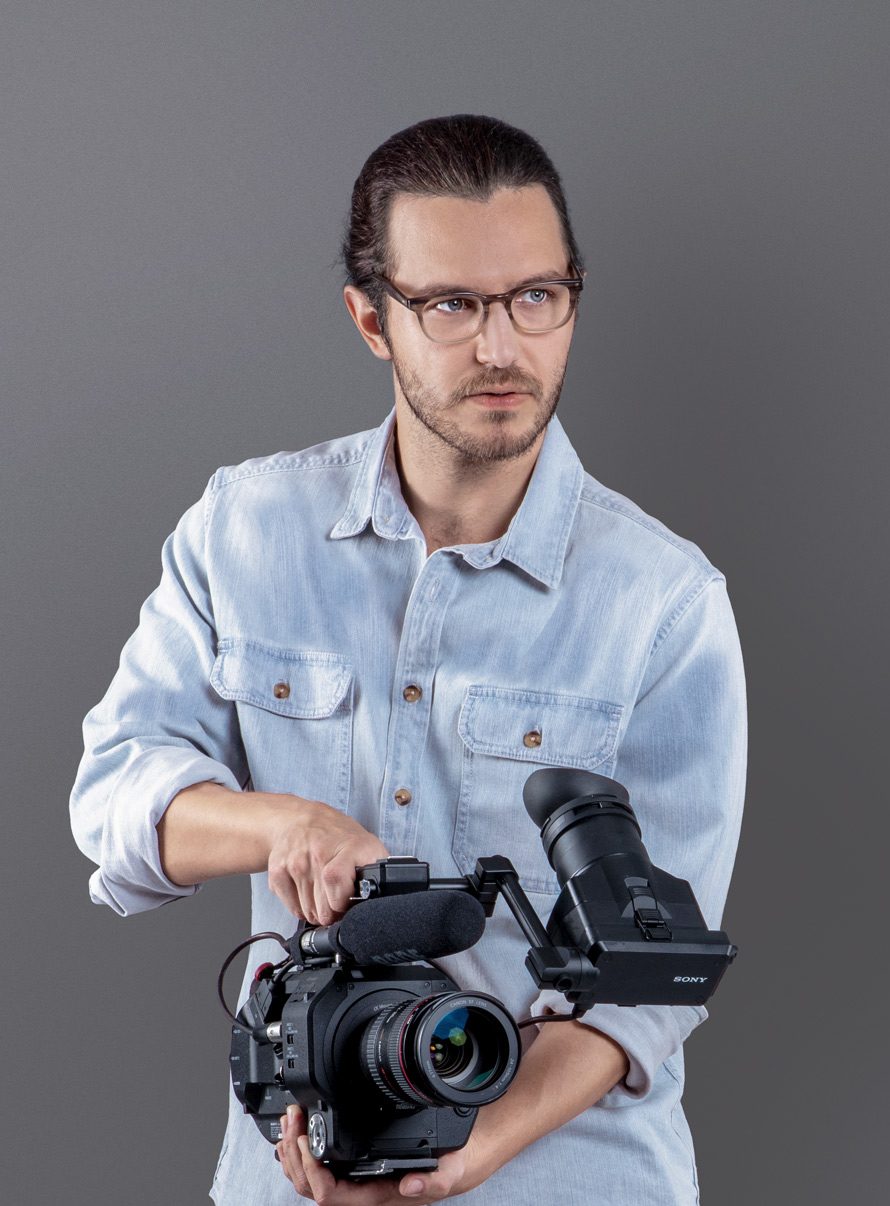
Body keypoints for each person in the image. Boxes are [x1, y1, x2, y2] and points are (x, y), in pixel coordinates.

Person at [70, 114, 746, 1205]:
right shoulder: (246, 532)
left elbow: (653, 984)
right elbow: (113, 797)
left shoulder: (664, 604)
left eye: (536, 296)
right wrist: (282, 825)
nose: (501, 347)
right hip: (290, 1171)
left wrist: (465, 1151)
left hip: (566, 1179)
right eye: (451, 305)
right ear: (370, 318)